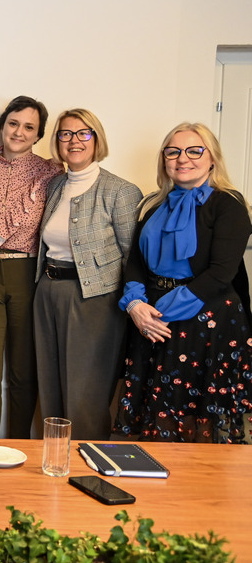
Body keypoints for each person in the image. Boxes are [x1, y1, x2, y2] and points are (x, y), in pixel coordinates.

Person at [115, 123, 252, 443]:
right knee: (158, 419)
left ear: (212, 158)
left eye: (194, 151)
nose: (182, 158)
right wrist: (135, 305)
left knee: (200, 424)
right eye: (173, 151)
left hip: (206, 322)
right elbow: (135, 262)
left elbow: (221, 273)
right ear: (164, 159)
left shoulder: (229, 204)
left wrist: (159, 313)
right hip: (150, 320)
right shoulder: (153, 204)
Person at [33, 109, 141, 441]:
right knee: (50, 388)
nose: (74, 141)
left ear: (97, 139)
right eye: (65, 134)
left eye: (84, 133)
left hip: (95, 301)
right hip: (47, 292)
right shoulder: (55, 185)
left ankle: (88, 464)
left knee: (86, 396)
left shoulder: (121, 191)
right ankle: (54, 461)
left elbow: (133, 258)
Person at [0, 96, 61, 439]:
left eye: (29, 127)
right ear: (2, 125)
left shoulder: (51, 172)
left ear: (39, 135)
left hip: (28, 277)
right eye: (13, 123)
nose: (19, 132)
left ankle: (20, 446)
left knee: (23, 373)